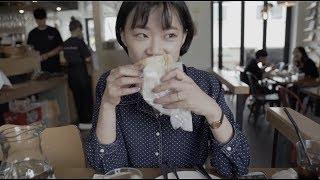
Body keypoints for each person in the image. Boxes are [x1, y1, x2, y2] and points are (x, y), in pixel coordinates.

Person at [85, 2, 250, 178]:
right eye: (142, 34)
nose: (155, 50)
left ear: (184, 37)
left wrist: (213, 112)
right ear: (123, 36)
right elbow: (106, 169)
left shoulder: (206, 84)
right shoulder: (110, 85)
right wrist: (108, 106)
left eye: (170, 35)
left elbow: (236, 168)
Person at [63, 17, 93, 130]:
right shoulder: (80, 42)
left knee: (77, 98)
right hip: (81, 73)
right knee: (86, 98)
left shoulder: (65, 43)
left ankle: (81, 122)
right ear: (78, 29)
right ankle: (88, 122)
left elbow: (65, 60)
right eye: (81, 29)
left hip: (71, 74)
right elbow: (88, 59)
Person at [27, 8, 63, 73]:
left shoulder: (53, 31)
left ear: (45, 18)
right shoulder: (32, 33)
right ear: (35, 20)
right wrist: (34, 53)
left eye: (42, 20)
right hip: (39, 68)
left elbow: (60, 47)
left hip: (54, 67)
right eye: (38, 20)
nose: (40, 22)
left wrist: (47, 55)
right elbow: (29, 48)